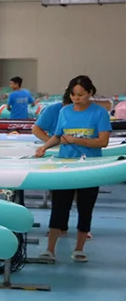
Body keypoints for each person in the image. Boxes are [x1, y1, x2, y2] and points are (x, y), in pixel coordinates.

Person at [34, 75, 112, 262]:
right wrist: (44, 147)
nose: (77, 98)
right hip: (65, 165)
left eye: (81, 94)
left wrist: (77, 140)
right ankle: (50, 249)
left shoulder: (99, 113)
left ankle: (79, 248)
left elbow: (103, 141)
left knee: (85, 208)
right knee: (59, 207)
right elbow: (58, 136)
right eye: (73, 94)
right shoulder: (65, 111)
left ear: (90, 93)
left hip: (89, 167)